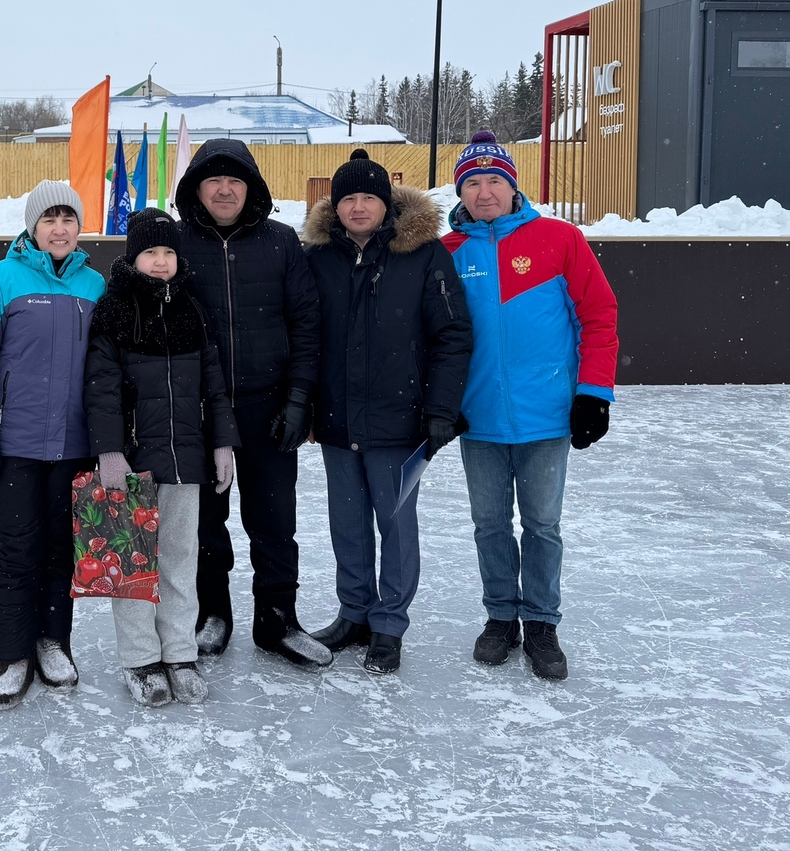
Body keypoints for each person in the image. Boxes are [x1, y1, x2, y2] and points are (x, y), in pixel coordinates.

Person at [441, 132, 619, 681]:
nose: (485, 192)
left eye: (495, 180)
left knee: (542, 524)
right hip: (478, 420)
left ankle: (542, 623)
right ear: (460, 191)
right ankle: (501, 618)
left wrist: (594, 393)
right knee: (490, 525)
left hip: (547, 417)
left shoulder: (559, 239)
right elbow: (432, 337)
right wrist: (443, 402)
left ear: (514, 186)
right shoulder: (447, 253)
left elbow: (600, 316)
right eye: (474, 182)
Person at [301, 150, 472, 674]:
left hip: (399, 419)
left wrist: (441, 408)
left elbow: (452, 334)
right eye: (348, 198)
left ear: (385, 204)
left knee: (395, 524)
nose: (357, 207)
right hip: (336, 417)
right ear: (335, 205)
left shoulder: (422, 255)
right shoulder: (318, 257)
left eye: (367, 198)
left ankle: (389, 623)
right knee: (346, 523)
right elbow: (302, 335)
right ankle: (354, 612)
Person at [171, 138, 328, 667]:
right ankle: (212, 611)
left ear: (251, 188)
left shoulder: (282, 243)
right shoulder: (174, 246)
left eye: (235, 180)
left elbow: (307, 325)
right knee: (204, 520)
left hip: (269, 405)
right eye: (213, 179)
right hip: (198, 411)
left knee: (275, 520)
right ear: (195, 187)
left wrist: (300, 398)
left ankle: (278, 618)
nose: (223, 188)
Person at [84, 209, 241, 706]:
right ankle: (140, 659)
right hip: (133, 463)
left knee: (179, 560)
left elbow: (214, 388)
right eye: (151, 251)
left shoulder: (192, 309)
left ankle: (178, 652)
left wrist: (222, 443)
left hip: (186, 461)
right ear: (134, 256)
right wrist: (109, 452)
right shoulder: (114, 309)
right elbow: (102, 389)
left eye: (168, 251)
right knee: (133, 565)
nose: (160, 261)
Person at [0, 180, 107, 709]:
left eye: (68, 219)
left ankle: (53, 641)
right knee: (18, 548)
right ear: (32, 226)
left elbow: (106, 370)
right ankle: (12, 653)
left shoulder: (95, 286)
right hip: (15, 444)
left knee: (60, 550)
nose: (59, 229)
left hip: (74, 445)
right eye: (49, 219)